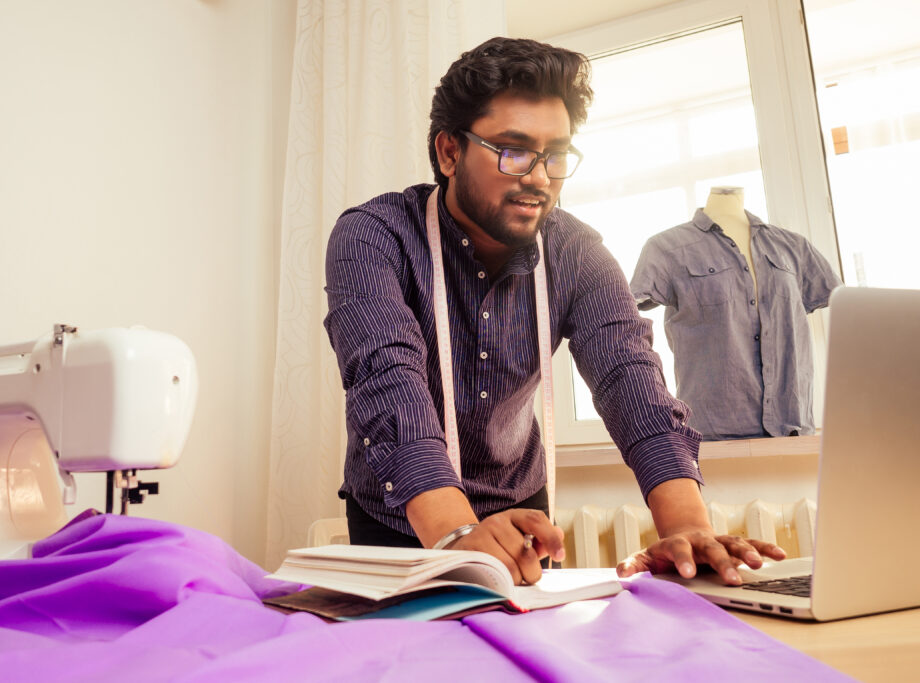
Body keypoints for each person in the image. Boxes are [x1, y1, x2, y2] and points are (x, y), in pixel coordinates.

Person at [323, 36, 784, 587]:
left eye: (556, 155)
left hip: (521, 515)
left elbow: (629, 377)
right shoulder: (373, 237)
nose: (540, 177)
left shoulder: (575, 252)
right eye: (513, 151)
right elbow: (387, 379)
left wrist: (684, 525)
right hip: (402, 520)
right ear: (449, 152)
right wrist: (453, 535)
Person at [630, 186, 842, 440]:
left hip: (792, 432)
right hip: (712, 435)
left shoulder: (793, 247)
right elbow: (628, 328)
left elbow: (843, 306)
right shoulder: (666, 248)